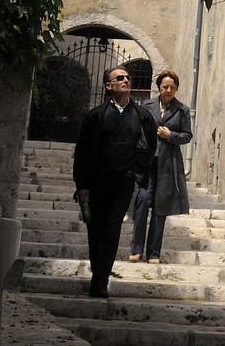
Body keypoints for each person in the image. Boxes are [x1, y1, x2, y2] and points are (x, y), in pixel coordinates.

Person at [72, 65, 157, 299]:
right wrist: (82, 186)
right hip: (97, 182)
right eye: (120, 78)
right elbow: (82, 153)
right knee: (95, 230)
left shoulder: (142, 116)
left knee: (112, 228)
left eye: (127, 77)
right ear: (109, 86)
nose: (126, 80)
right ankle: (97, 274)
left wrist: (137, 173)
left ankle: (100, 282)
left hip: (123, 183)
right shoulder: (95, 116)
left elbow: (150, 145)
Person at [128, 69, 193, 264]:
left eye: (172, 87)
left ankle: (154, 253)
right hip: (147, 164)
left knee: (160, 208)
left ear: (177, 89)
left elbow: (187, 136)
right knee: (143, 200)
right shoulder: (146, 107)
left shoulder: (182, 110)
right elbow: (136, 131)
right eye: (165, 87)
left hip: (167, 165)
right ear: (159, 87)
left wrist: (170, 135)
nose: (168, 90)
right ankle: (136, 249)